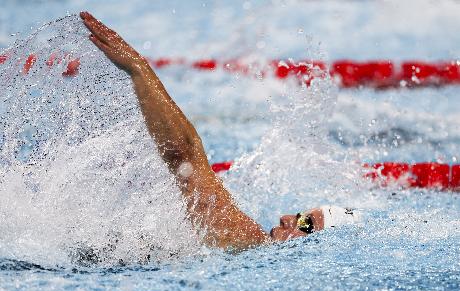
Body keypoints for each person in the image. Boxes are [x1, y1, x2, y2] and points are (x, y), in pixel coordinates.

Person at [79, 12, 360, 251]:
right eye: (300, 216)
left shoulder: (251, 243)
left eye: (305, 224)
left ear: (317, 247)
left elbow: (184, 157)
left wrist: (139, 69)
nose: (286, 217)